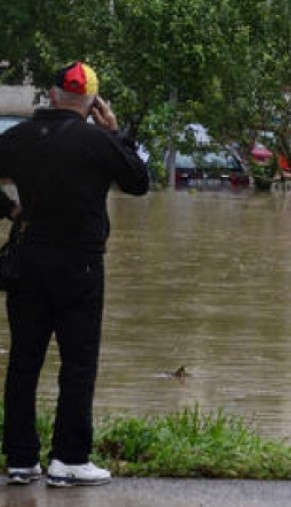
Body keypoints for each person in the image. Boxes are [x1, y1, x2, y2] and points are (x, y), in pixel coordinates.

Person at [0, 61, 150, 486]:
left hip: (26, 262)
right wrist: (115, 132)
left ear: (51, 95)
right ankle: (68, 459)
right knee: (78, 364)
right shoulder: (96, 140)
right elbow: (139, 182)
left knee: (24, 363)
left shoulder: (17, 137)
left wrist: (11, 209)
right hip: (80, 267)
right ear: (92, 102)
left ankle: (20, 460)